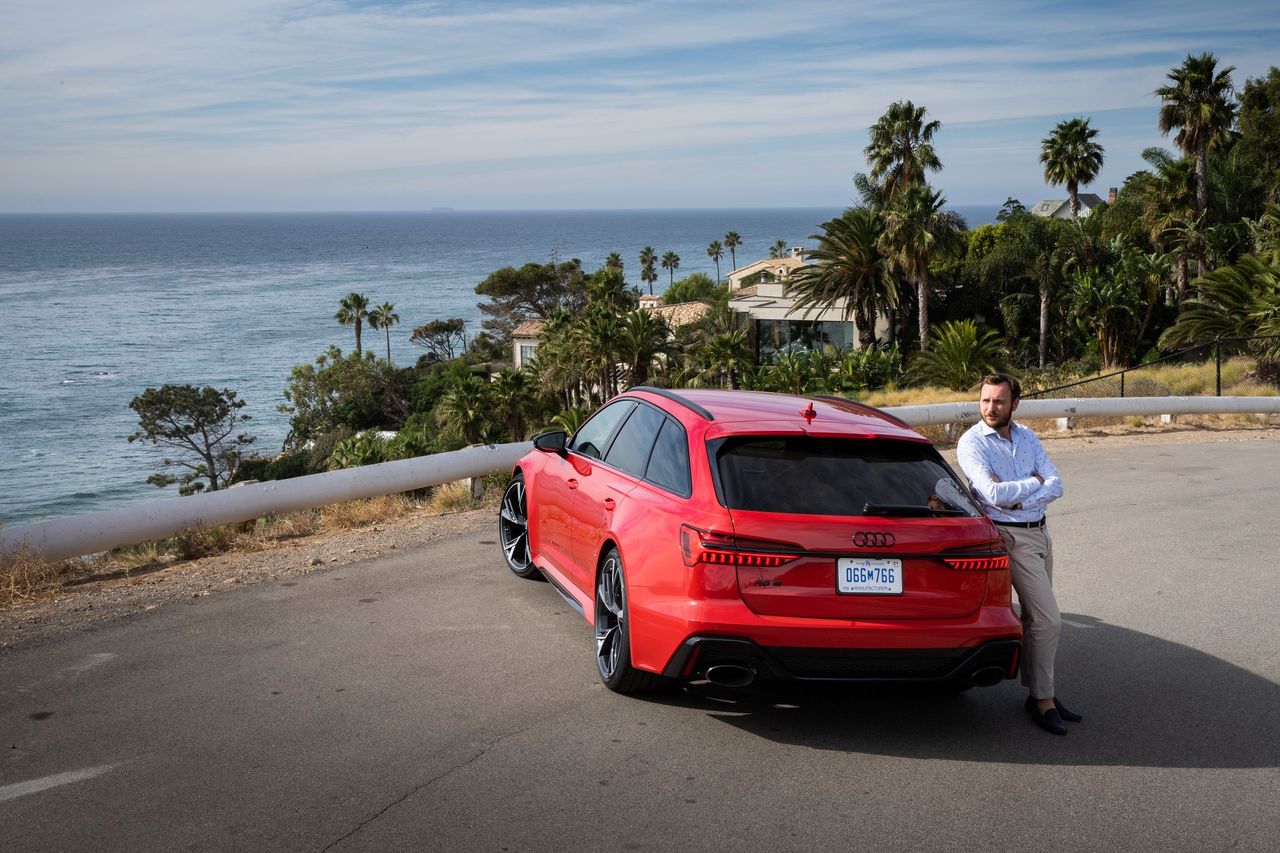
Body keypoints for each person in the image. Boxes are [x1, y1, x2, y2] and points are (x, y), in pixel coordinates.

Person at [956, 373, 1081, 736]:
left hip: (1040, 533)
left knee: (1035, 620)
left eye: (998, 401)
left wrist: (1023, 494)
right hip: (1010, 537)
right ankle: (1044, 702)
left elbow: (1056, 483)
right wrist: (1034, 484)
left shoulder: (1027, 436)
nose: (990, 408)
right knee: (1049, 620)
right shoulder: (972, 443)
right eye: (985, 401)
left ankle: (1038, 695)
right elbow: (994, 496)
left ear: (1015, 404)